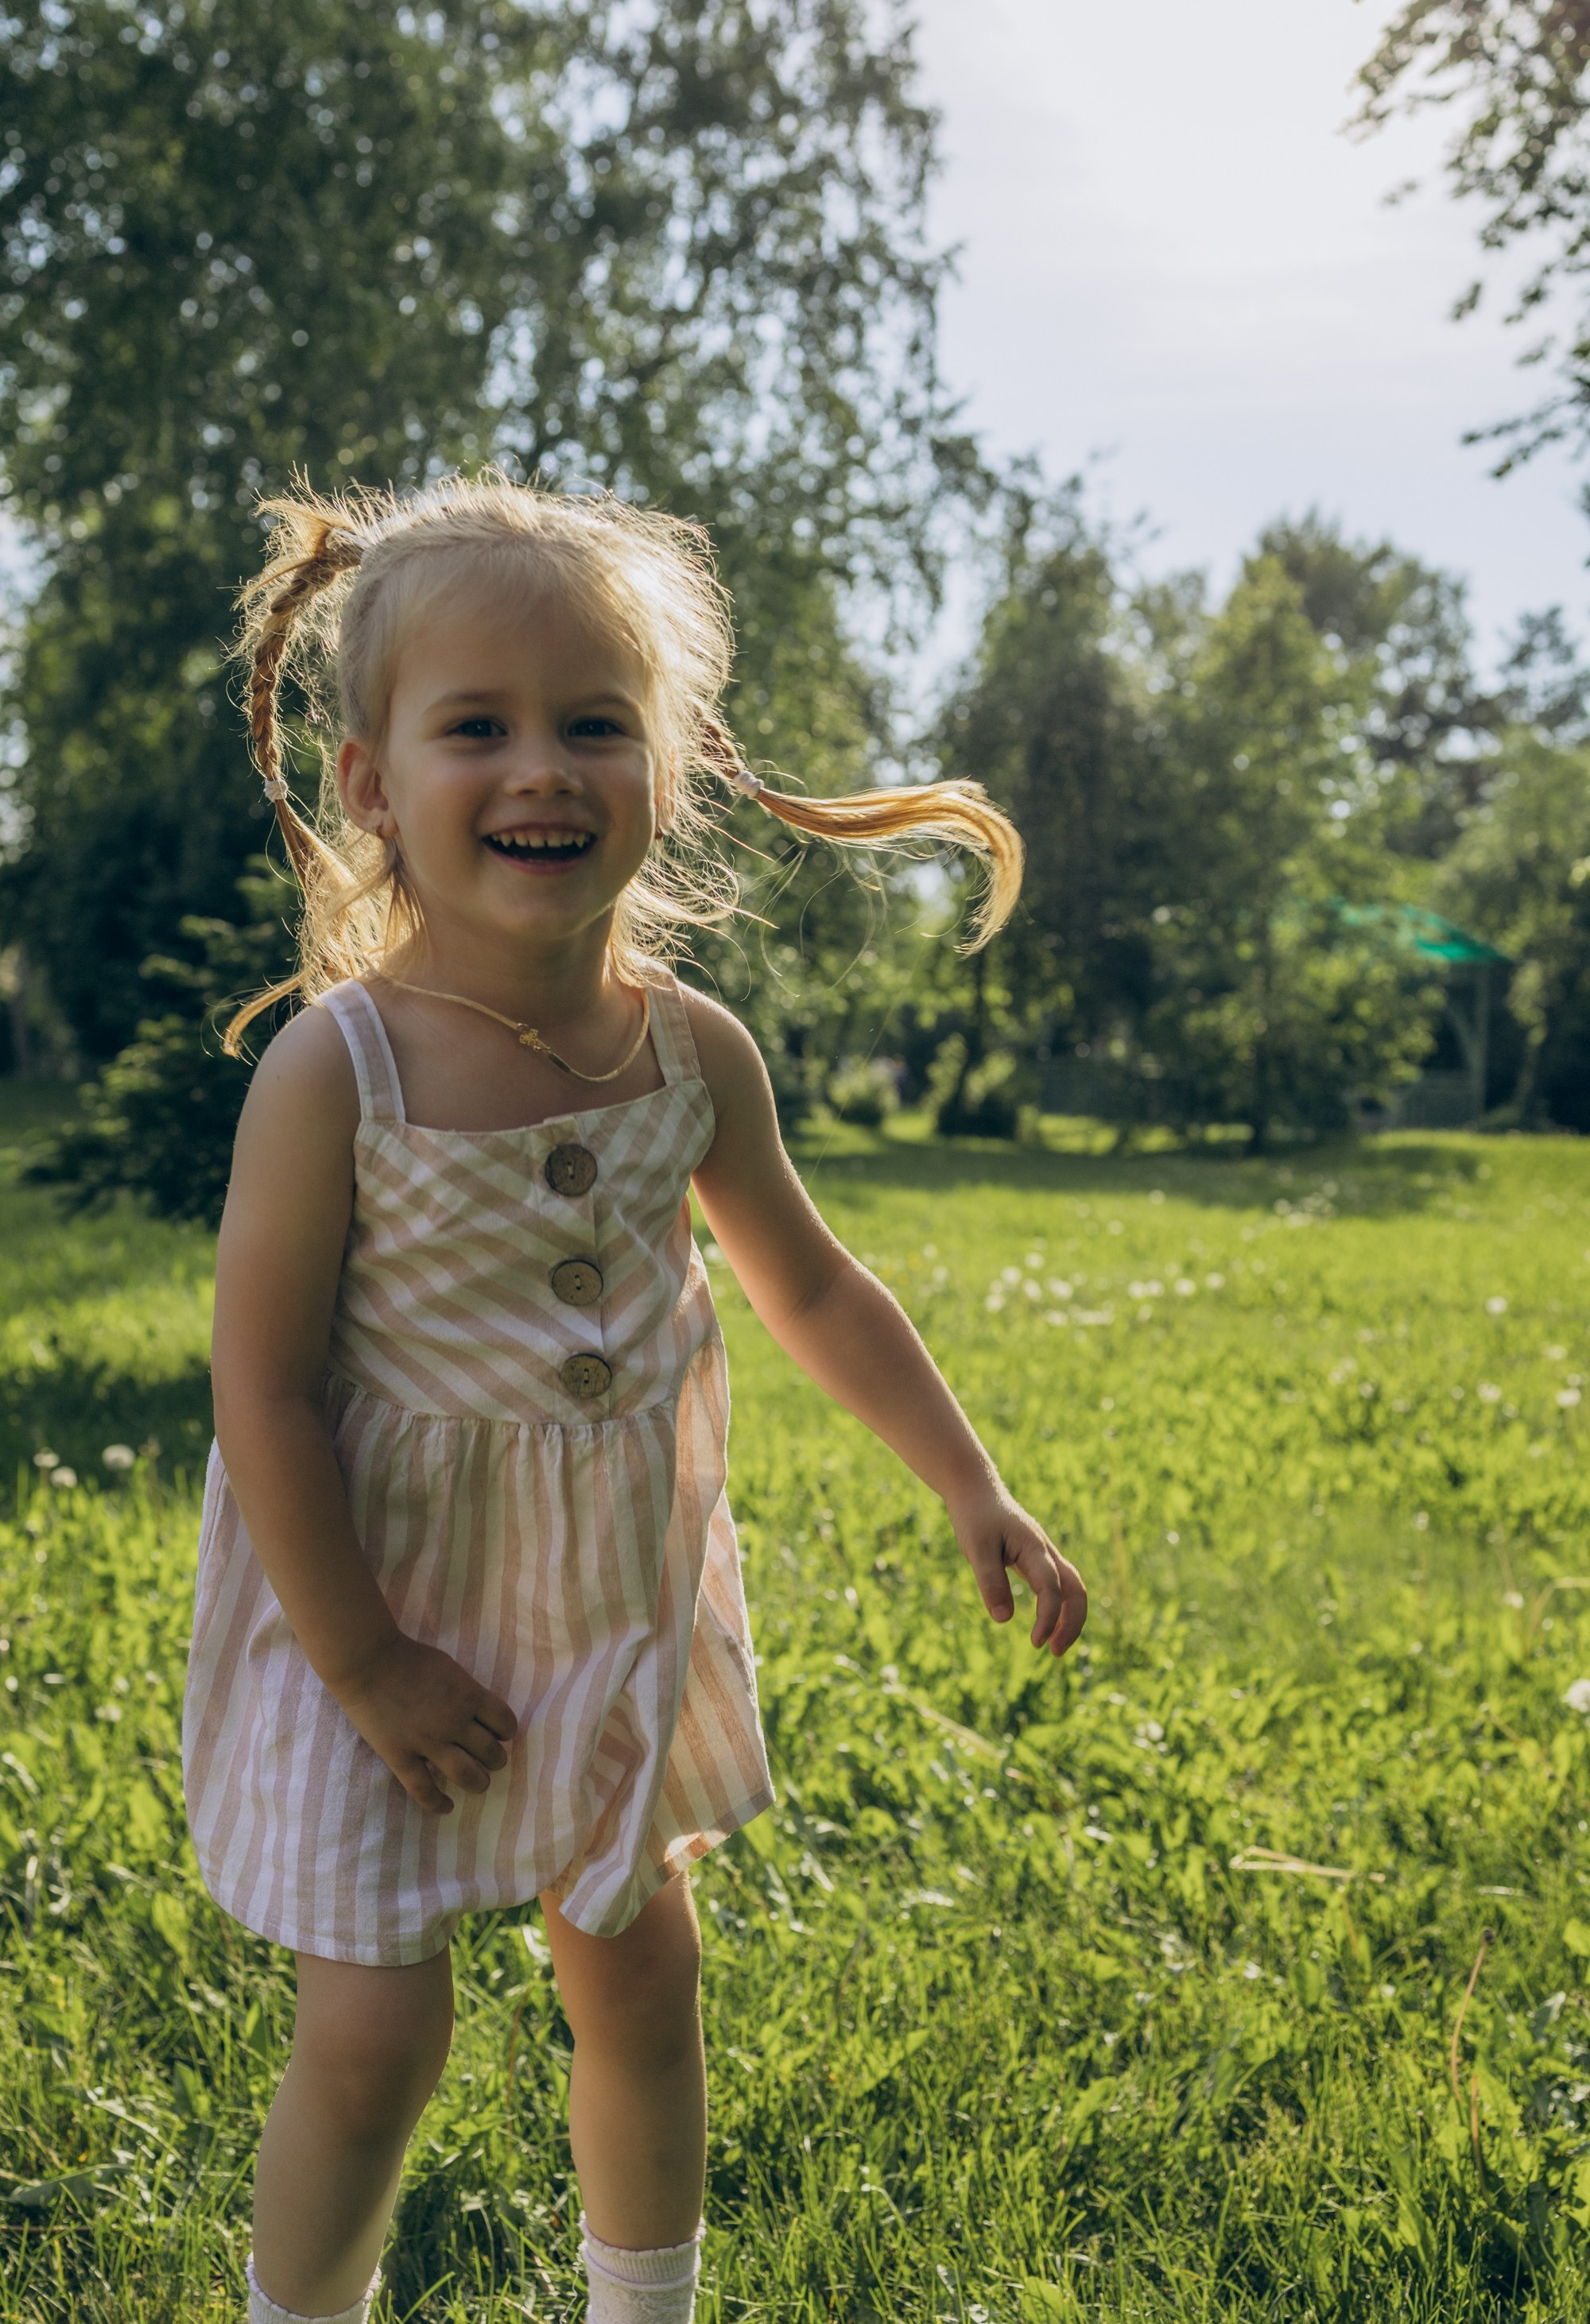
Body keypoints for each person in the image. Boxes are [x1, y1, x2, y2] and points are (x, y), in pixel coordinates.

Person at [183, 475, 1088, 2324]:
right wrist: (366, 1663)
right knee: (376, 2038)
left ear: (665, 773)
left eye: (596, 723)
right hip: (373, 1608)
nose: (544, 767)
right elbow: (260, 1390)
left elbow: (812, 1284)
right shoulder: (338, 1068)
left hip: (604, 1607)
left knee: (642, 1976)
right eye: (477, 728)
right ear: (372, 784)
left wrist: (969, 1483)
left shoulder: (691, 1051)